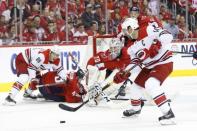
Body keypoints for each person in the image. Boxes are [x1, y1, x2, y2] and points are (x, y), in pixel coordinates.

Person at [113, 18, 175, 125]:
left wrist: (157, 43)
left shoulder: (148, 29)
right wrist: (125, 72)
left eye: (124, 31)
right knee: (135, 87)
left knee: (151, 84)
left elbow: (168, 36)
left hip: (163, 62)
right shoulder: (131, 47)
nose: (124, 35)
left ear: (130, 28)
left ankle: (168, 113)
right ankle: (135, 109)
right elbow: (136, 63)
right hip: (149, 66)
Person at [86, 38, 131, 106]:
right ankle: (92, 96)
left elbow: (121, 65)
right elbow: (93, 59)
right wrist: (90, 66)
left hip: (129, 72)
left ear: (119, 47)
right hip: (115, 71)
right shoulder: (107, 54)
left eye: (114, 48)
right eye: (111, 48)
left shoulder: (127, 53)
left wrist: (105, 64)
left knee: (112, 84)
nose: (112, 50)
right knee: (104, 83)